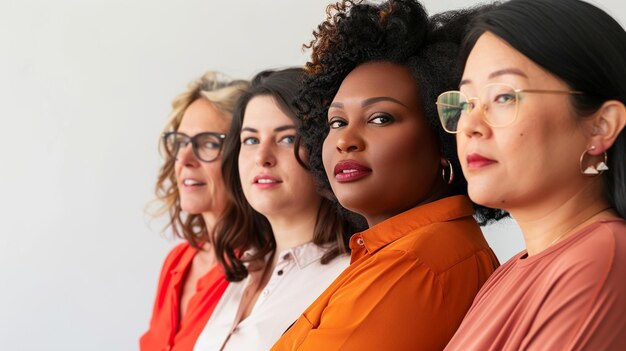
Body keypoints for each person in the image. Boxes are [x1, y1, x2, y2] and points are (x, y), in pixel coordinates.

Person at [272, 1, 503, 350]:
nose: (345, 141)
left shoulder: (418, 263)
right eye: (336, 122)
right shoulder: (396, 252)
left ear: (445, 138)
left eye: (380, 118)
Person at [437, 0, 626, 349]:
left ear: (601, 126)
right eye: (464, 103)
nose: (471, 126)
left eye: (504, 97)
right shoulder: (507, 274)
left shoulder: (602, 262)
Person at [192, 68, 364, 351]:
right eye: (251, 140)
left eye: (285, 138)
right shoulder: (244, 267)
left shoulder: (346, 277)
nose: (262, 157)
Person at [140, 72, 249, 351]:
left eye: (208, 143)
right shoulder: (177, 262)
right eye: (180, 142)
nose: (185, 160)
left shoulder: (262, 269)